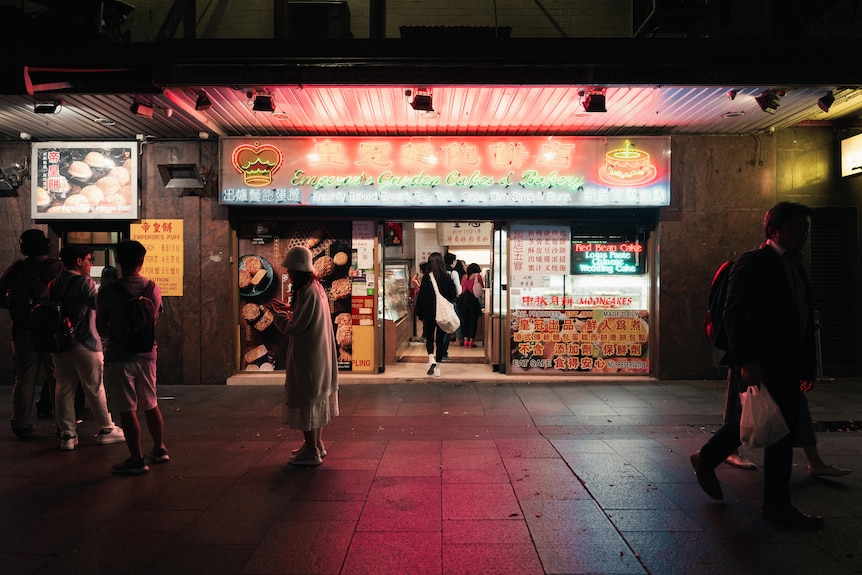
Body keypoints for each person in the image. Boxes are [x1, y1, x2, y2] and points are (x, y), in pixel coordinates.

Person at [690, 202, 824, 529]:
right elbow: (734, 314)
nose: (803, 234)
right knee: (765, 425)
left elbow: (803, 317)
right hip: (761, 362)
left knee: (768, 425)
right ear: (773, 230)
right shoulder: (754, 263)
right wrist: (745, 360)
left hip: (788, 362)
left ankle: (711, 460)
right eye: (796, 228)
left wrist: (808, 366)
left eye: (805, 228)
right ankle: (775, 503)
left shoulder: (796, 266)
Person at [96, 241, 167, 475]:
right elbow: (154, 318)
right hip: (148, 354)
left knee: (127, 408)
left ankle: (137, 458)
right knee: (151, 402)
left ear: (118, 260)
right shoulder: (153, 288)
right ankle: (159, 449)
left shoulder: (108, 291)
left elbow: (100, 325)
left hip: (119, 355)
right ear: (142, 261)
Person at [270, 246, 339, 467]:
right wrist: (290, 309)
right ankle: (316, 445)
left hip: (309, 356)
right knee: (316, 400)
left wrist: (278, 317)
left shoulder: (307, 292)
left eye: (290, 270)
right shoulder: (316, 287)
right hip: (319, 354)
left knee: (307, 400)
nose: (288, 274)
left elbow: (296, 327)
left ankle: (311, 451)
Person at [51, 244, 125, 451]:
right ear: (78, 261)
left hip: (60, 343)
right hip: (85, 342)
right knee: (94, 387)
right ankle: (106, 429)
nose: (90, 264)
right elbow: (97, 307)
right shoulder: (85, 282)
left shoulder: (55, 283)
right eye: (89, 260)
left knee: (64, 387)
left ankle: (68, 435)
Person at [0, 229, 64, 438]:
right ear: (47, 245)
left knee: (24, 377)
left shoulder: (16, 269)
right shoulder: (57, 268)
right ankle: (62, 424)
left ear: (23, 247)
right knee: (57, 376)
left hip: (22, 329)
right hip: (51, 329)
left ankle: (21, 424)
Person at [415, 252, 458, 377]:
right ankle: (438, 368)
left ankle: (431, 358)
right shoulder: (447, 277)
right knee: (440, 339)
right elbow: (453, 295)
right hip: (442, 313)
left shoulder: (427, 278)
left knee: (429, 337)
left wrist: (420, 314)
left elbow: (421, 297)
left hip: (429, 313)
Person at [459, 263, 484, 348]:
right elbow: (481, 288)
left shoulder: (464, 277)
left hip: (463, 300)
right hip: (473, 300)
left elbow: (461, 288)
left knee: (465, 321)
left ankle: (465, 341)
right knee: (473, 321)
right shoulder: (478, 276)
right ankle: (471, 341)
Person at [443, 252, 462, 352]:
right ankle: (443, 353)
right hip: (450, 302)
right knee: (448, 329)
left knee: (440, 329)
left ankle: (438, 353)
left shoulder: (438, 272)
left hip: (440, 303)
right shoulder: (453, 273)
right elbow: (459, 291)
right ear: (453, 262)